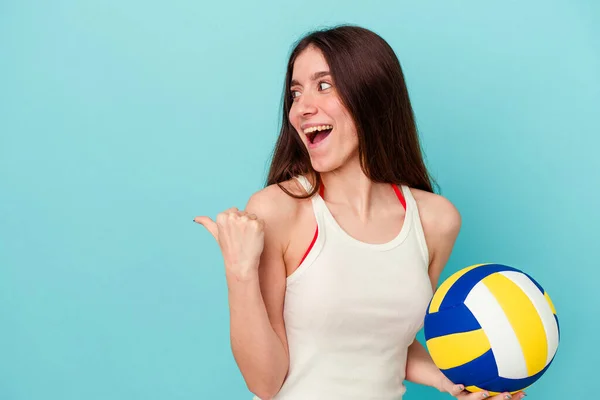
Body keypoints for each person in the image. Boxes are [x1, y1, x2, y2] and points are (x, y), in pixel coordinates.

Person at [195, 25, 526, 400]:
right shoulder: (279, 209)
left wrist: (455, 382)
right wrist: (239, 273)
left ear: (372, 94)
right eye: (295, 92)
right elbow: (265, 382)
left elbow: (386, 344)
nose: (302, 107)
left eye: (324, 85)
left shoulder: (436, 220)